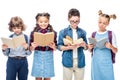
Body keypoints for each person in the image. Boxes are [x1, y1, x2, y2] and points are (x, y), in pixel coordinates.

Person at [57, 8, 88, 80]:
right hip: (67, 60)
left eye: (77, 21)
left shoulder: (83, 32)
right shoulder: (63, 32)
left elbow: (86, 48)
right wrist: (68, 48)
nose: (74, 23)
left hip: (80, 61)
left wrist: (84, 45)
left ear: (79, 20)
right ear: (68, 19)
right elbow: (59, 46)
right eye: (72, 21)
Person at [88, 10, 118, 80]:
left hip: (107, 63)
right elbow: (90, 51)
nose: (101, 25)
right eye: (100, 22)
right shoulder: (93, 34)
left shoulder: (111, 34)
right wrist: (89, 47)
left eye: (104, 23)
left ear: (108, 24)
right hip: (96, 64)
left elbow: (116, 50)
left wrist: (110, 46)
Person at [29, 12, 57, 80]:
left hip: (48, 56)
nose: (43, 23)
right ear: (37, 22)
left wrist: (53, 47)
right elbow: (30, 49)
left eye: (45, 21)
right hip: (38, 56)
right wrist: (32, 46)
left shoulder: (53, 32)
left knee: (47, 77)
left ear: (48, 21)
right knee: (38, 77)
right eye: (41, 22)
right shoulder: (33, 33)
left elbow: (56, 47)